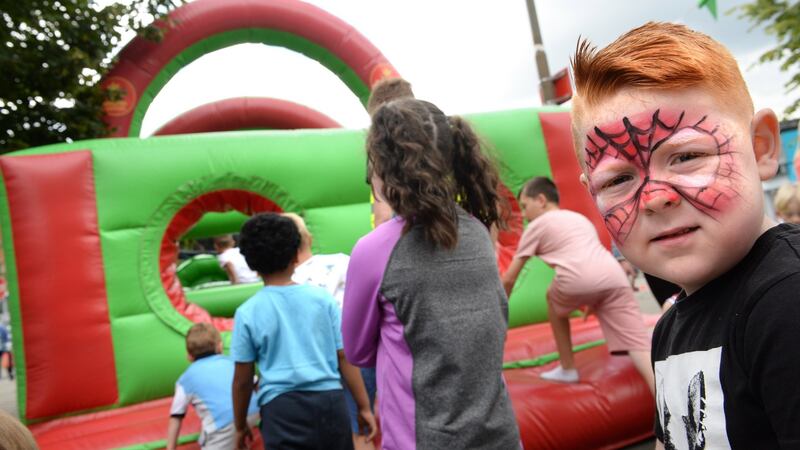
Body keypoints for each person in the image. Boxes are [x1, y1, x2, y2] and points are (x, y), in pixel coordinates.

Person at [570, 22, 800, 448]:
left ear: (763, 147)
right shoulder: (668, 328)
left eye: (688, 156)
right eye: (618, 180)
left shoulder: (785, 301)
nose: (655, 197)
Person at [343, 97, 521, 449]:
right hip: (498, 432)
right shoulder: (477, 232)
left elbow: (358, 351)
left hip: (423, 438)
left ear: (384, 169)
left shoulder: (375, 250)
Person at [230, 213, 376, 450]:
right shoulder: (321, 300)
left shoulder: (248, 313)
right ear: (296, 254)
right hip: (330, 401)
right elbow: (343, 357)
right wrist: (364, 406)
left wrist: (239, 425)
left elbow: (242, 380)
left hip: (281, 409)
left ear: (250, 263)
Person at [501, 177, 654, 393]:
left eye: (525, 206)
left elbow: (509, 278)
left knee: (552, 301)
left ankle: (567, 368)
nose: (524, 215)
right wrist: (593, 300)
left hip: (578, 280)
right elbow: (590, 262)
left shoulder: (537, 225)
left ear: (541, 200)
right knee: (639, 345)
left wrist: (499, 309)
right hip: (613, 276)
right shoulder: (578, 218)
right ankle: (665, 403)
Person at [285, 213, 377, 450]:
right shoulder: (341, 260)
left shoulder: (287, 282)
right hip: (359, 352)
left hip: (317, 364)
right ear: (310, 239)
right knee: (361, 430)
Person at [167, 323, 259, 450]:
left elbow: (176, 416)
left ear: (189, 356)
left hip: (223, 424)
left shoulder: (185, 379)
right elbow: (254, 384)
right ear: (220, 347)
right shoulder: (232, 362)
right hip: (253, 413)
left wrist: (170, 448)